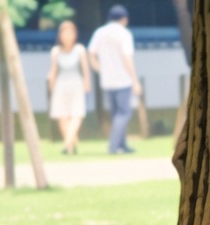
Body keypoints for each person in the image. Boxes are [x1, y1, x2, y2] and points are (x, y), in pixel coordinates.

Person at [88, 4, 141, 154]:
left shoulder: (100, 32)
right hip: (123, 79)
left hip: (107, 80)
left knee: (115, 113)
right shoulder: (124, 34)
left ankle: (122, 144)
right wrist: (135, 80)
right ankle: (113, 145)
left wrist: (98, 68)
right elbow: (127, 58)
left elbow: (91, 52)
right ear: (124, 19)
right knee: (124, 113)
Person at [46, 21, 91, 155]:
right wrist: (51, 84)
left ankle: (67, 142)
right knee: (62, 114)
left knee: (77, 113)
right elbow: (53, 70)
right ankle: (70, 145)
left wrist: (87, 83)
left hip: (76, 83)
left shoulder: (80, 50)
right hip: (61, 84)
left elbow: (85, 69)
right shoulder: (56, 51)